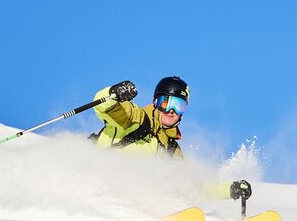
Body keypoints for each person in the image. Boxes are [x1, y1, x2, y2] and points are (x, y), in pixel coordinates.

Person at [91, 76, 252, 201]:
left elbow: (190, 185)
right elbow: (103, 107)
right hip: (99, 186)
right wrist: (114, 93)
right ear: (156, 102)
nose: (172, 111)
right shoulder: (136, 118)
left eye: (179, 106)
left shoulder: (172, 149)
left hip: (136, 201)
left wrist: (229, 190)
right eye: (166, 103)